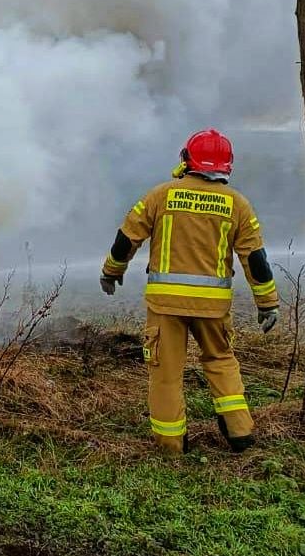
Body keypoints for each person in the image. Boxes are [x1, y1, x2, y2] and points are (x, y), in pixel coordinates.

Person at [101, 128, 279, 454]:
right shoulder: (237, 204)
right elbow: (255, 259)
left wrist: (111, 271)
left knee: (165, 374)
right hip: (213, 308)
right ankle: (240, 433)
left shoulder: (161, 195)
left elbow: (126, 238)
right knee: (222, 361)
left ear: (186, 159)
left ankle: (171, 446)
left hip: (165, 306)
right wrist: (267, 303)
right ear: (227, 166)